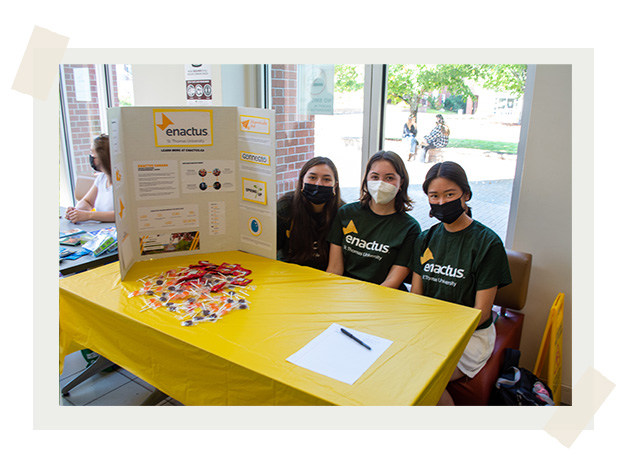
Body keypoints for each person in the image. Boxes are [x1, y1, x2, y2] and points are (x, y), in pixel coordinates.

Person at [409, 161, 512, 405]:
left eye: (450, 194)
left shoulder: (487, 243)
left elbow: (481, 313)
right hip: (428, 329)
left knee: (421, 377)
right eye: (434, 196)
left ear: (466, 194)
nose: (442, 202)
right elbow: (416, 298)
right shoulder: (426, 239)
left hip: (468, 337)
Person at [326, 150, 421, 289]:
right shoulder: (346, 213)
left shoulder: (410, 228)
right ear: (366, 179)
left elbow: (392, 283)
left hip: (382, 298)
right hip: (343, 292)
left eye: (389, 178)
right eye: (375, 177)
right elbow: (335, 269)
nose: (381, 183)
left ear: (401, 182)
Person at [276, 157, 344, 270]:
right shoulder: (285, 207)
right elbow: (271, 252)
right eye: (312, 177)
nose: (318, 184)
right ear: (302, 181)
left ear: (335, 186)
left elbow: (336, 267)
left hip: (324, 277)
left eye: (326, 179)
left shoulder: (341, 212)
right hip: (287, 273)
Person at [65, 134, 115, 223]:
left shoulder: (124, 182)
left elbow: (122, 214)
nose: (91, 157)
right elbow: (87, 201)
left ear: (102, 157)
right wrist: (76, 211)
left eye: (92, 153)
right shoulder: (101, 178)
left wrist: (88, 215)